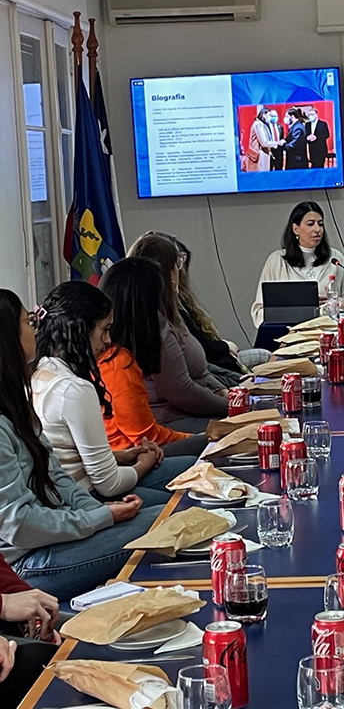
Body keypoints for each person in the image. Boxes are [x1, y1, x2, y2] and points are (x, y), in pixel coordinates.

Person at [0, 289, 163, 602]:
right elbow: (19, 525)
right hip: (28, 563)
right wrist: (100, 518)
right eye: (27, 322)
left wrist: (99, 510)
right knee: (164, 523)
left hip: (53, 536)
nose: (35, 329)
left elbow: (56, 474)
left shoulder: (16, 398)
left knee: (171, 515)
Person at [32, 281, 197, 506]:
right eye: (105, 330)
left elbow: (73, 457)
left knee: (192, 466)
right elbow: (108, 484)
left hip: (76, 487)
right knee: (180, 504)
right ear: (80, 330)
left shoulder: (40, 372)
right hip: (85, 499)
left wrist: (126, 455)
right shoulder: (73, 390)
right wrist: (144, 463)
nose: (108, 340)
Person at [99, 257, 211, 453]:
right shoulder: (118, 361)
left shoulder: (114, 344)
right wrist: (202, 438)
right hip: (145, 444)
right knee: (219, 440)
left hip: (149, 438)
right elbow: (145, 435)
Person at [127, 233, 229, 433]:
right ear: (168, 271)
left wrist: (223, 391)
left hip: (198, 409)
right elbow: (180, 391)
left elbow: (201, 370)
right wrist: (229, 407)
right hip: (173, 420)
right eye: (177, 265)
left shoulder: (169, 312)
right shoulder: (153, 325)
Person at [153, 233, 270, 373]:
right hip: (213, 365)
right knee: (265, 358)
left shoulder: (180, 301)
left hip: (213, 364)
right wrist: (226, 348)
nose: (183, 273)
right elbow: (202, 353)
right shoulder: (171, 308)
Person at [251, 201, 344, 327]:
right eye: (310, 224)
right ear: (295, 229)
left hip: (328, 334)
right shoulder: (277, 261)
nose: (317, 229)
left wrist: (341, 304)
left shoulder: (335, 259)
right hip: (289, 336)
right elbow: (260, 311)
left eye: (320, 224)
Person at [0, 555, 60, 708]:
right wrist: (3, 604)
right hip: (26, 559)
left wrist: (17, 595)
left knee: (72, 631)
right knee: (41, 659)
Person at [245, 106, 278, 172]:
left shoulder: (263, 124)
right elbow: (264, 143)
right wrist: (277, 143)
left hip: (263, 156)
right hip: (259, 157)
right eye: (269, 115)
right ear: (263, 115)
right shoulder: (258, 124)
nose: (270, 117)